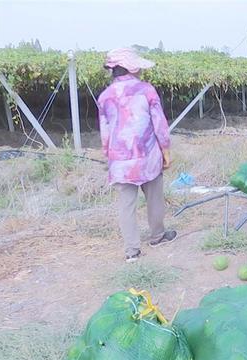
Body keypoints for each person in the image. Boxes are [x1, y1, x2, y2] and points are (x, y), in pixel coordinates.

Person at [98, 48, 177, 263]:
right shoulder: (146, 90)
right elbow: (159, 124)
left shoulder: (105, 97)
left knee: (126, 204)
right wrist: (166, 150)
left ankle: (132, 251)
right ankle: (158, 235)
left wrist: (109, 157)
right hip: (147, 156)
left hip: (121, 162)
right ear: (132, 67)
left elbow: (105, 134)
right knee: (154, 197)